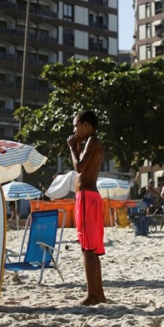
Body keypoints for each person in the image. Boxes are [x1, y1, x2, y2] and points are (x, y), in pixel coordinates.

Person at [67, 110, 106, 305]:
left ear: (87, 125)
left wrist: (72, 148)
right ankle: (99, 294)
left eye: (76, 125)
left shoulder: (92, 142)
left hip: (87, 198)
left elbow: (79, 168)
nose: (74, 130)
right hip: (91, 197)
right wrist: (78, 145)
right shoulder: (92, 143)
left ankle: (92, 295)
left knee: (87, 248)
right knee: (91, 249)